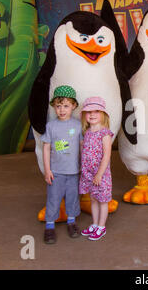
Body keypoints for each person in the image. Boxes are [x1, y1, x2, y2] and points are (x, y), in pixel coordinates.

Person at [41, 85, 83, 244]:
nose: (62, 110)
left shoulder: (78, 125)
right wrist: (47, 170)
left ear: (73, 106)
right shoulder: (51, 126)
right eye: (58, 106)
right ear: (54, 107)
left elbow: (81, 147)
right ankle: (49, 226)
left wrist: (83, 167)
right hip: (56, 172)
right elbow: (46, 148)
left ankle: (72, 222)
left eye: (66, 106)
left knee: (72, 198)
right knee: (53, 198)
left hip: (73, 171)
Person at [79, 97, 114, 241]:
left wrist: (99, 174)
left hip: (101, 174)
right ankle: (94, 223)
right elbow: (84, 152)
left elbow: (106, 156)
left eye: (96, 111)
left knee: (102, 200)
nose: (92, 115)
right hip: (88, 173)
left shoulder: (105, 133)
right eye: (89, 112)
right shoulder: (87, 132)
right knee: (93, 199)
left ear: (103, 114)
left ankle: (101, 226)